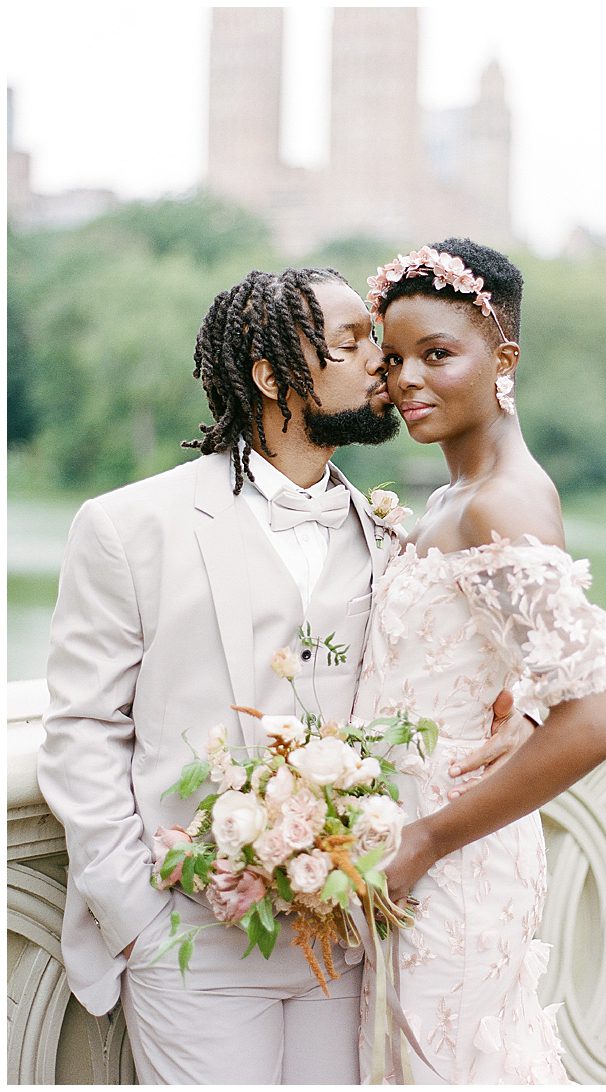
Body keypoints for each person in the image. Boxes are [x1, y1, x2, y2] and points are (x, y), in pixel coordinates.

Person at [37, 267, 402, 1083]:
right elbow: (85, 731)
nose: (379, 362)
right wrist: (137, 921)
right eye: (349, 344)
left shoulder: (388, 534)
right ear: (274, 377)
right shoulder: (128, 527)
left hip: (339, 938)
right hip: (188, 939)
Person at [355, 238, 606, 1083]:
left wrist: (426, 841)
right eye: (393, 357)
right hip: (416, 845)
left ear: (502, 357)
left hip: (454, 860)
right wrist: (527, 705)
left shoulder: (499, 500)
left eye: (438, 354)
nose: (407, 380)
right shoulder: (451, 498)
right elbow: (538, 672)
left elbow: (596, 723)